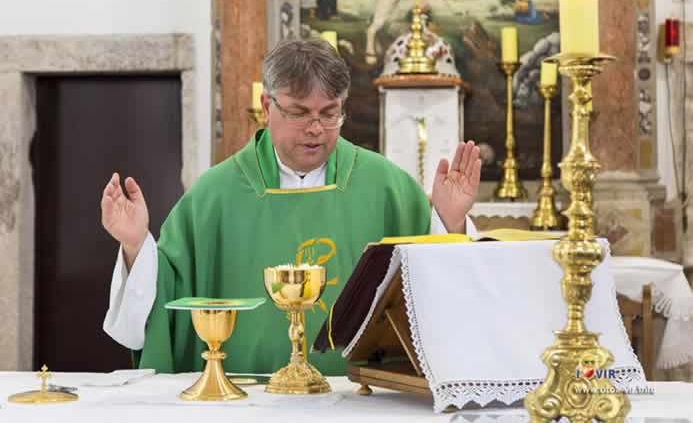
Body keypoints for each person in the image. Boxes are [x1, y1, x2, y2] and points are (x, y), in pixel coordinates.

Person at [101, 39, 481, 376]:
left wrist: (449, 221)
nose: (316, 128)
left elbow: (439, 296)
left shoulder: (387, 188)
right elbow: (165, 297)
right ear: (268, 105)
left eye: (330, 113)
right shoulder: (213, 196)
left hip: (359, 404)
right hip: (245, 403)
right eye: (300, 113)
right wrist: (136, 247)